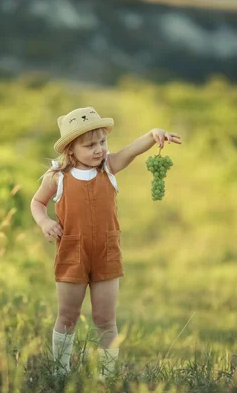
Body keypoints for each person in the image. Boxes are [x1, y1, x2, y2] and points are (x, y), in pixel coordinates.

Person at [30, 106, 182, 380]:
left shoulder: (108, 167)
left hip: (106, 253)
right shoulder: (57, 176)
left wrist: (152, 135)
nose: (99, 149)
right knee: (67, 315)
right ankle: (60, 372)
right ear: (70, 150)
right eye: (89, 145)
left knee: (105, 319)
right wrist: (44, 222)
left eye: (102, 142)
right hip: (71, 253)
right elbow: (37, 202)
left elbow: (131, 150)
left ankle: (107, 376)